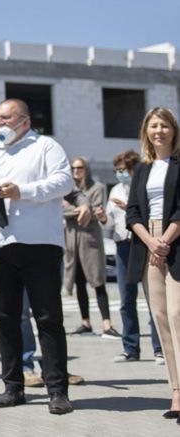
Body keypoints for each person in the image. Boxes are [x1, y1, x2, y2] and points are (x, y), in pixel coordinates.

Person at [0, 99, 75, 415]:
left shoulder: (46, 146)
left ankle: (57, 391)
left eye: (5, 118)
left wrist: (23, 191)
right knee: (4, 319)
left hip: (39, 245)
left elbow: (64, 182)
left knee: (48, 319)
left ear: (24, 120)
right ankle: (13, 387)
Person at [124, 107, 180, 421]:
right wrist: (150, 242)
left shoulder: (179, 164)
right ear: (147, 131)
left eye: (164, 125)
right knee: (160, 318)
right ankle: (176, 392)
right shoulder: (142, 170)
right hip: (148, 242)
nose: (158, 131)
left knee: (177, 315)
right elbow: (133, 212)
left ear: (174, 130)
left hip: (174, 239)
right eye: (153, 126)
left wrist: (165, 241)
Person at [106, 149, 163, 363]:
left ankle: (159, 348)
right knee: (126, 298)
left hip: (143, 244)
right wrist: (104, 217)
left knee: (152, 298)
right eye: (117, 170)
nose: (120, 174)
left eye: (123, 170)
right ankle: (130, 348)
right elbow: (111, 223)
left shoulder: (144, 187)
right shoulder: (115, 191)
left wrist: (130, 206)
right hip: (122, 245)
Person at [64, 157, 115, 337]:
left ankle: (107, 324)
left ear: (87, 169)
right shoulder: (67, 189)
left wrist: (78, 210)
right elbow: (61, 210)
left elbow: (95, 211)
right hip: (72, 241)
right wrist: (81, 209)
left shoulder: (97, 187)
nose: (76, 171)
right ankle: (85, 323)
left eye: (80, 167)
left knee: (97, 280)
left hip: (90, 239)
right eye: (73, 168)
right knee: (78, 281)